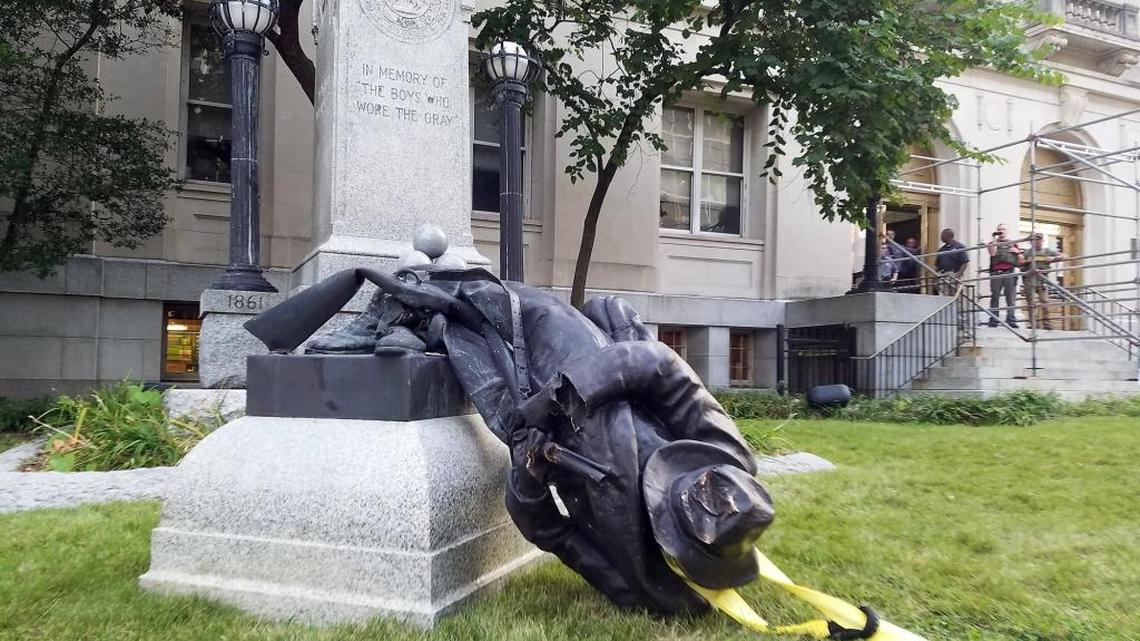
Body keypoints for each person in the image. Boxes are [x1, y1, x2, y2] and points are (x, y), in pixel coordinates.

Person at [244, 265, 775, 616]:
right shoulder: (726, 459)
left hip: (528, 427)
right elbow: (660, 366)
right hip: (588, 367)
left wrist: (527, 477)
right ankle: (401, 309)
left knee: (464, 342)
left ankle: (414, 323)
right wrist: (565, 393)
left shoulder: (642, 575)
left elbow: (551, 533)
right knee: (487, 298)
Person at [1020, 233, 1066, 330]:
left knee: (1044, 301)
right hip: (1030, 280)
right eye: (1035, 240)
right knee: (1031, 304)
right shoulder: (1028, 252)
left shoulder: (1047, 251)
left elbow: (1064, 256)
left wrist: (1053, 259)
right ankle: (1033, 324)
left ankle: (1047, 323)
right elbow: (1019, 262)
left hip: (1042, 281)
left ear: (1042, 241)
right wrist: (1027, 261)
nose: (1037, 242)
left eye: (1039, 240)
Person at [986, 223, 1022, 327]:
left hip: (1009, 272)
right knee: (995, 297)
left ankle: (1011, 320)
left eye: (1003, 229)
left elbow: (1020, 261)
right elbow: (993, 253)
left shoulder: (1013, 244)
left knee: (1010, 298)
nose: (1001, 231)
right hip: (996, 273)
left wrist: (1017, 252)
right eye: (999, 229)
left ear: (1007, 231)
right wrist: (994, 239)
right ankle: (994, 320)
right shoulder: (992, 243)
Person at [934, 228, 969, 296]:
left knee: (954, 295)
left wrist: (958, 275)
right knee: (943, 295)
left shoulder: (959, 247)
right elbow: (937, 265)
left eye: (942, 235)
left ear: (948, 236)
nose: (941, 237)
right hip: (943, 275)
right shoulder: (941, 249)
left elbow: (964, 262)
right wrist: (935, 277)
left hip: (954, 273)